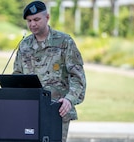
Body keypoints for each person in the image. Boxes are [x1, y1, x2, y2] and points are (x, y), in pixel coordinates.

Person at [13, 1, 86, 142]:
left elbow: (78, 78)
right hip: (29, 111)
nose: (32, 24)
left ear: (47, 17)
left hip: (57, 110)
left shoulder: (65, 42)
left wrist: (69, 100)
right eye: (29, 21)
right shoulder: (24, 45)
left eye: (36, 19)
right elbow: (17, 77)